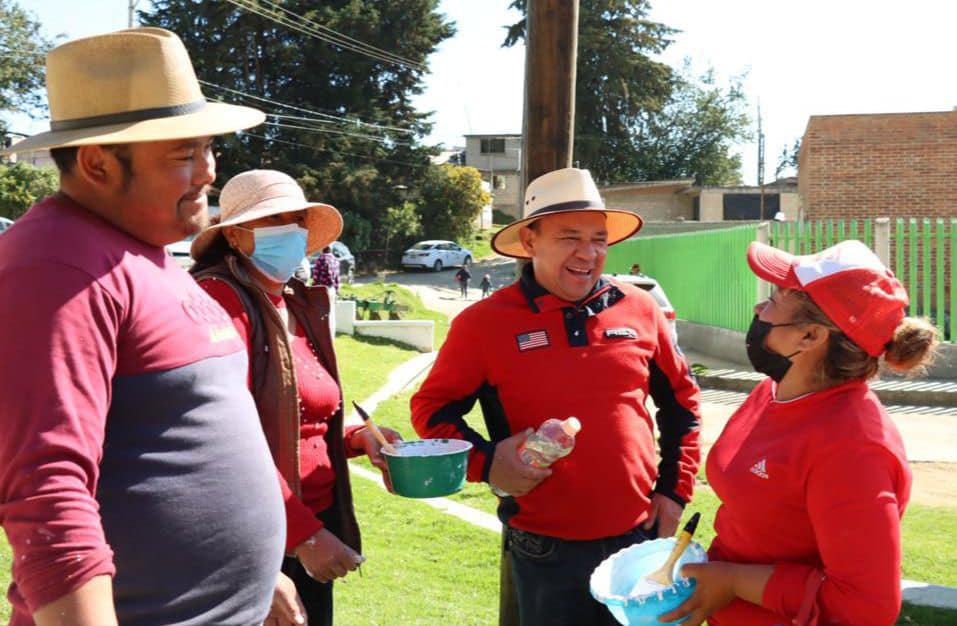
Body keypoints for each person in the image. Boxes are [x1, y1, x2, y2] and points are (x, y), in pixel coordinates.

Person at [0, 28, 284, 626]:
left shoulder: (145, 249)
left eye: (209, 148)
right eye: (183, 155)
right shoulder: (55, 264)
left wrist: (258, 571)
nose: (207, 172)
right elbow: (47, 493)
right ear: (98, 162)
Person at [410, 168, 702, 626]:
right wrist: (487, 463)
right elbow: (431, 412)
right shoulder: (483, 324)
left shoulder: (641, 308)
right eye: (570, 237)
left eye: (599, 239)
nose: (588, 254)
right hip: (546, 551)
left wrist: (674, 491)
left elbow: (682, 404)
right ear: (529, 242)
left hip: (640, 538)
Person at [661, 240, 939, 626]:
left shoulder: (853, 448)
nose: (759, 309)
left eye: (774, 300)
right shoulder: (775, 390)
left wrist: (732, 580)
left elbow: (868, 607)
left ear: (810, 337)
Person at [189, 169, 401, 626]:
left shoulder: (295, 301)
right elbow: (220, 441)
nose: (291, 230)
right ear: (236, 236)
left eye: (297, 219)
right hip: (256, 536)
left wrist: (361, 436)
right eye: (273, 220)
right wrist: (302, 536)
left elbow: (303, 411)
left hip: (308, 524)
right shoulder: (218, 301)